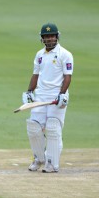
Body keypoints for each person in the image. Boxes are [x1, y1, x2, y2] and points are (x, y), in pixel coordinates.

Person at [22, 23, 74, 173]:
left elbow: (67, 77)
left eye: (52, 36)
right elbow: (36, 75)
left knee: (53, 127)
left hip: (56, 96)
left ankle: (51, 163)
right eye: (46, 36)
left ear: (57, 37)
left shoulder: (65, 54)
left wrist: (62, 94)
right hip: (40, 95)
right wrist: (29, 91)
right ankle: (39, 158)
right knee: (33, 127)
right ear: (42, 38)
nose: (49, 39)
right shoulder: (39, 55)